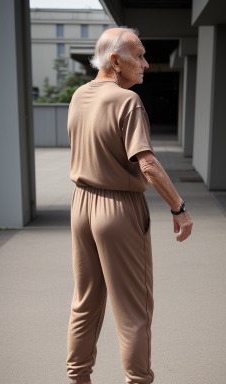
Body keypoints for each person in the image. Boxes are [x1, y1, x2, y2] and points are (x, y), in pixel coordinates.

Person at [66, 27, 193, 384]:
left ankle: (78, 378)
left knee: (85, 302)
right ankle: (138, 380)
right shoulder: (127, 102)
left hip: (81, 205)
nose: (146, 64)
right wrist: (178, 207)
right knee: (133, 310)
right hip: (118, 209)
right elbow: (147, 164)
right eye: (138, 55)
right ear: (115, 61)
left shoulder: (78, 96)